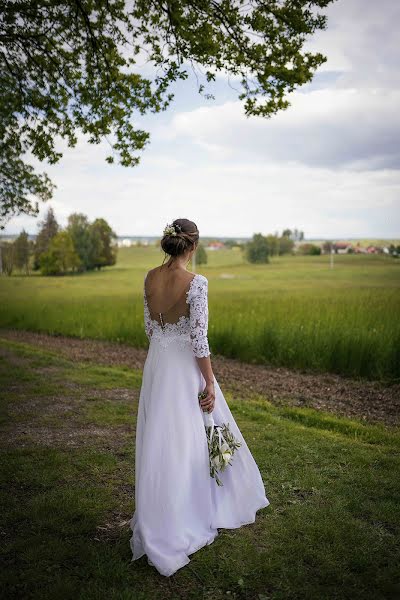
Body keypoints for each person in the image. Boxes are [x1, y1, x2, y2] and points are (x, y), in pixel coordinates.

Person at [129, 218, 270, 577]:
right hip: (183, 369)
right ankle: (185, 514)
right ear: (193, 246)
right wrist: (209, 382)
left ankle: (159, 513)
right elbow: (199, 340)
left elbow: (149, 328)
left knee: (162, 441)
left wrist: (165, 341)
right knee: (188, 440)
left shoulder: (149, 277)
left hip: (157, 367)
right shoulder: (197, 283)